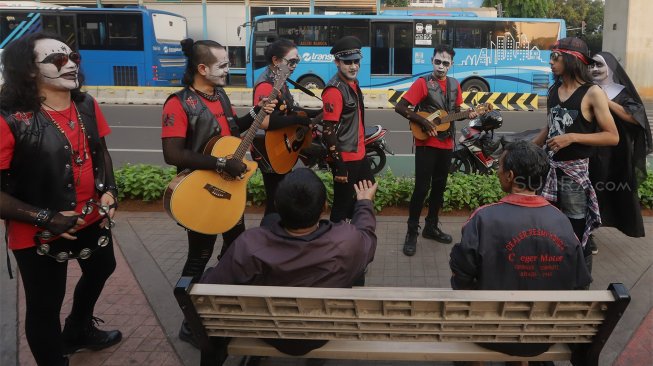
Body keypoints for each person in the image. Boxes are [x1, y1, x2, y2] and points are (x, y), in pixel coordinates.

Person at [0, 32, 121, 366]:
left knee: (103, 268)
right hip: (37, 230)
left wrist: (110, 190)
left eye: (73, 58)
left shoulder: (87, 104)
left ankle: (78, 329)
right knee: (44, 305)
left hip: (92, 217)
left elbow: (102, 153)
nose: (69, 65)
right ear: (28, 71)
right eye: (57, 60)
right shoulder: (9, 118)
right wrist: (46, 217)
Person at [160, 38, 275, 347]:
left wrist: (257, 112)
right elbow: (172, 154)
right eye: (222, 65)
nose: (228, 70)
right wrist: (220, 162)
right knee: (198, 256)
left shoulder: (220, 95)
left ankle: (220, 301)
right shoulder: (179, 103)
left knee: (236, 248)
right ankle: (190, 320)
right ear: (202, 68)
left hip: (228, 189)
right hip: (200, 192)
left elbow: (232, 130)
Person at [201, 168, 378, 356]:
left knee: (268, 221)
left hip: (272, 332)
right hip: (324, 330)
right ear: (324, 207)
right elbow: (367, 237)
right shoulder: (347, 241)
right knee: (358, 266)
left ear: (276, 205)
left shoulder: (249, 245)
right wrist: (364, 203)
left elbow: (209, 288)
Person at [450, 140, 592, 361]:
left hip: (491, 332)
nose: (497, 172)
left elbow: (461, 276)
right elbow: (579, 281)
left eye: (499, 167)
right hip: (542, 335)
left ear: (510, 176)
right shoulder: (562, 221)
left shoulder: (483, 218)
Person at [532, 37, 618, 273]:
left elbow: (612, 136)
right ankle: (556, 274)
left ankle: (581, 280)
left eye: (555, 57)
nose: (550, 62)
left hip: (574, 173)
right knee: (549, 226)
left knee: (576, 228)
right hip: (549, 169)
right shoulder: (553, 91)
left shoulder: (592, 93)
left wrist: (572, 137)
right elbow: (551, 126)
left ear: (572, 59)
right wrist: (530, 148)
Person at [394, 43, 477, 257]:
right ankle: (412, 232)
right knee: (421, 189)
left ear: (452, 64)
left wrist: (468, 115)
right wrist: (423, 122)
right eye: (437, 61)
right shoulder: (423, 83)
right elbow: (400, 107)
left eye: (445, 63)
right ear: (432, 61)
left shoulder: (454, 85)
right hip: (426, 144)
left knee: (439, 188)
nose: (441, 66)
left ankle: (431, 227)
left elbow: (455, 112)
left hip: (446, 144)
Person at [588, 51, 652, 248]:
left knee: (609, 190)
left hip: (615, 153)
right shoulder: (587, 90)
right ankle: (588, 234)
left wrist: (605, 102)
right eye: (591, 66)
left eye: (599, 65)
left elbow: (635, 118)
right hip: (590, 149)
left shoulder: (622, 92)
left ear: (610, 67)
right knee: (589, 191)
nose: (594, 69)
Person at [251, 38, 321, 217]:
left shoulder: (280, 81)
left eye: (297, 61)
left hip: (279, 146)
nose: (295, 65)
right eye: (292, 61)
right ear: (276, 61)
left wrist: (314, 113)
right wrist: (298, 120)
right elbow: (264, 122)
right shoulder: (266, 85)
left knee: (280, 199)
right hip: (269, 150)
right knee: (275, 201)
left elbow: (289, 110)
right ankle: (268, 238)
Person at [322, 35, 375, 224]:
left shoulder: (352, 83)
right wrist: (340, 166)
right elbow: (328, 130)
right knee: (341, 206)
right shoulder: (335, 91)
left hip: (359, 154)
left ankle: (354, 235)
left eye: (356, 61)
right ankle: (335, 244)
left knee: (367, 191)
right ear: (337, 62)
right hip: (346, 158)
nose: (353, 66)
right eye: (347, 62)